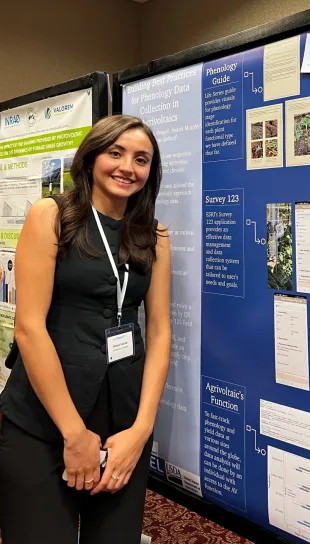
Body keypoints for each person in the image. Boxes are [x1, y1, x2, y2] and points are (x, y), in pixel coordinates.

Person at [0, 115, 171, 543]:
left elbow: (161, 332)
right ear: (92, 156)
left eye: (141, 159)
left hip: (122, 423)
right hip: (45, 420)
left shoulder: (154, 235)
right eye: (116, 153)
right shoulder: (53, 215)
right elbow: (29, 329)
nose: (127, 167)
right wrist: (74, 435)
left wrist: (141, 430)